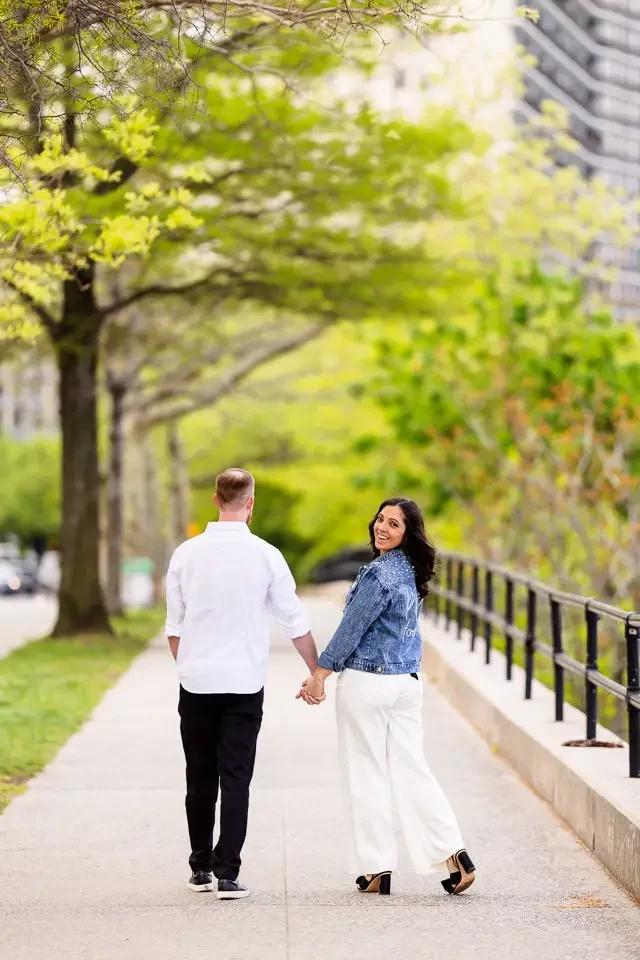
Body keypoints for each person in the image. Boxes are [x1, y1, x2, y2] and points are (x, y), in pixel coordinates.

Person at [297, 497, 475, 896]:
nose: (382, 527)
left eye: (394, 524)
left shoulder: (379, 575)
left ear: (407, 533)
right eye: (380, 519)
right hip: (407, 685)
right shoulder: (409, 571)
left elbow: (350, 629)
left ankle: (377, 868)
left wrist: (319, 676)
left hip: (369, 684)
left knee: (366, 773)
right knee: (413, 768)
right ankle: (455, 854)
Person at [166, 468, 319, 900]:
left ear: (215, 500)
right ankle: (227, 873)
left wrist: (190, 667)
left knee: (199, 776)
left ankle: (199, 868)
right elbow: (294, 621)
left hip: (196, 683)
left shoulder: (185, 554)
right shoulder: (267, 555)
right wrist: (316, 672)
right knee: (236, 778)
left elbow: (174, 628)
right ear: (250, 503)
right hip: (244, 684)